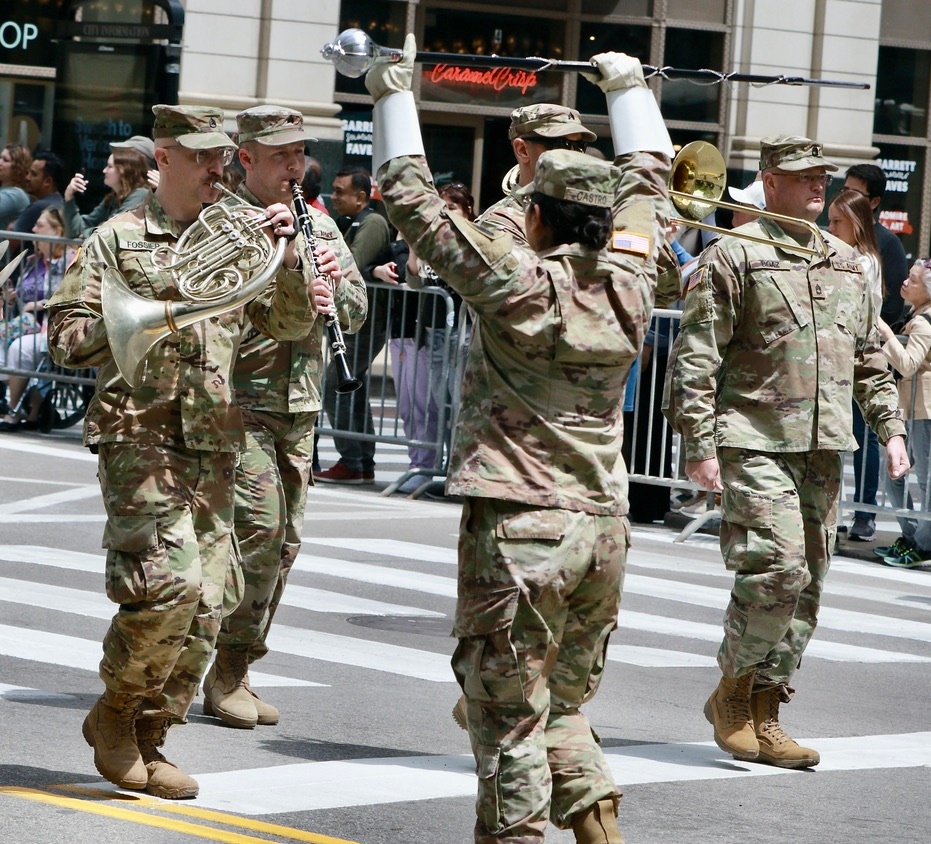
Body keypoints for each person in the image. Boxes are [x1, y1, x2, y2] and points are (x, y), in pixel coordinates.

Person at [366, 35, 677, 843]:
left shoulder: (516, 280)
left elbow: (412, 203)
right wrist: (630, 91)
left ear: (534, 214)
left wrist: (392, 94)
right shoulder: (634, 284)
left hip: (519, 525)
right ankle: (599, 822)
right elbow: (652, 183)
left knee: (505, 716)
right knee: (561, 703)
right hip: (603, 527)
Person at [46, 104, 319, 800]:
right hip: (139, 434)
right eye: (202, 158)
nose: (217, 170)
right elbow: (67, 340)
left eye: (221, 158)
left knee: (211, 605)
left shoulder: (236, 230)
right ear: (164, 159)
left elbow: (286, 322)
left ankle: (150, 733)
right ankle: (114, 713)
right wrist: (159, 298)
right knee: (168, 587)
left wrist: (287, 256)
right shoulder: (115, 239)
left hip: (215, 438)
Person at [663, 135, 909, 771]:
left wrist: (891, 429)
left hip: (824, 445)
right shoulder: (735, 255)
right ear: (770, 182)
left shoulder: (845, 263)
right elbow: (696, 353)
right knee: (776, 568)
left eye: (823, 176)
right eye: (803, 177)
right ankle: (734, 694)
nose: (816, 186)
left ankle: (766, 711)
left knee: (809, 586)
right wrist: (698, 443)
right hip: (753, 437)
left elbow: (866, 358)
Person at [202, 105, 367, 730]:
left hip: (301, 407)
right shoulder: (225, 223)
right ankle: (221, 668)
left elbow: (353, 308)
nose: (294, 166)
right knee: (258, 535)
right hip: (239, 404)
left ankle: (234, 664)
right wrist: (276, 260)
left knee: (284, 545)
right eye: (279, 156)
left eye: (299, 153)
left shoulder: (320, 227)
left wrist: (322, 276)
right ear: (246, 159)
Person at [314, 166, 391, 484]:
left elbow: (352, 265)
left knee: (337, 385)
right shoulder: (352, 222)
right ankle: (359, 461)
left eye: (340, 191)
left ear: (361, 197)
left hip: (365, 320)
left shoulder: (372, 222)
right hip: (354, 320)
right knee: (353, 390)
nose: (334, 197)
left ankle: (353, 458)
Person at [828, 188, 885, 541]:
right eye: (830, 221)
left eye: (837, 222)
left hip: (857, 357)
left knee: (864, 439)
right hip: (842, 357)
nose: (830, 228)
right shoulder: (846, 255)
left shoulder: (862, 261)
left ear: (856, 223)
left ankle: (865, 513)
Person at [874, 259, 931, 567]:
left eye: (913, 280)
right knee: (897, 474)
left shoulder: (924, 321)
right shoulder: (917, 314)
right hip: (911, 407)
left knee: (923, 480)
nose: (905, 283)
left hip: (924, 410)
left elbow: (908, 364)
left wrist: (886, 334)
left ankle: (921, 543)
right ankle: (913, 537)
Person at [0, 206, 75, 430]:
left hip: (52, 326)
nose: (33, 229)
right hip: (25, 323)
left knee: (19, 348)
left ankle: (14, 411)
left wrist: (40, 304)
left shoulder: (71, 261)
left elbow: (69, 296)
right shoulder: (33, 261)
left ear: (58, 232)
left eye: (40, 225)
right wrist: (12, 299)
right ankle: (27, 404)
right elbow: (23, 298)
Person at [843, 163, 909, 328]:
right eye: (844, 191)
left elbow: (892, 307)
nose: (846, 199)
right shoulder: (833, 236)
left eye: (854, 194)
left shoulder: (889, 243)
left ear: (874, 202)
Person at [62, 146, 151, 239]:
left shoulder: (140, 194)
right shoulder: (113, 198)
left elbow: (112, 229)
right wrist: (69, 195)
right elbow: (75, 231)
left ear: (124, 170)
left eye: (109, 166)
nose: (104, 171)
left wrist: (85, 234)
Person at [11, 151, 65, 238]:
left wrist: (11, 225)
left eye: (33, 174)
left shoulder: (38, 207)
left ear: (48, 181)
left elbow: (10, 241)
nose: (27, 178)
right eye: (28, 173)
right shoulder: (61, 203)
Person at [0, 144, 32, 229]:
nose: (0, 162)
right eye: (0, 158)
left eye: (5, 160)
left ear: (17, 168)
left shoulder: (16, 194)